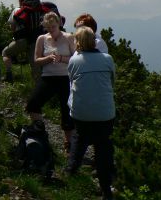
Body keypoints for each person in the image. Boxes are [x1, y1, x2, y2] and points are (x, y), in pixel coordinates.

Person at [67, 26, 116, 199]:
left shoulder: (74, 61)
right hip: (105, 113)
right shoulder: (107, 59)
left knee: (79, 139)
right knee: (103, 147)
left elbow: (72, 81)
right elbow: (112, 81)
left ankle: (70, 172)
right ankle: (106, 189)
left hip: (81, 112)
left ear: (78, 42)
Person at [26, 11, 76, 153]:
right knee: (33, 103)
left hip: (65, 77)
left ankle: (69, 142)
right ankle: (39, 130)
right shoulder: (42, 39)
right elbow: (37, 60)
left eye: (53, 27)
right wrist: (48, 59)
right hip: (48, 76)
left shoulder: (68, 38)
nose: (51, 30)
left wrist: (61, 58)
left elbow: (75, 58)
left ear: (59, 24)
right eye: (48, 27)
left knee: (66, 109)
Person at [2, 0, 60, 82]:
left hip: (23, 41)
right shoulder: (42, 9)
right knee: (37, 68)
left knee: (5, 52)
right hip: (41, 41)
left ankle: (9, 75)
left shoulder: (18, 10)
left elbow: (12, 28)